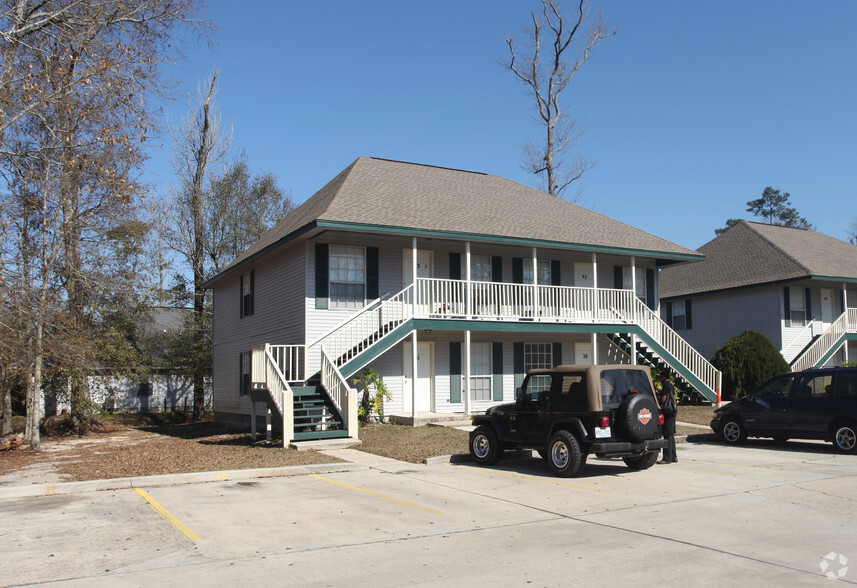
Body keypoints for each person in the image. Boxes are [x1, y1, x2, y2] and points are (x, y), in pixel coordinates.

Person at [657, 372, 677, 464]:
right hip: (673, 411)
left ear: (664, 377)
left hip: (667, 412)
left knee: (667, 435)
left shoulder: (666, 386)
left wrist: (658, 399)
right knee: (671, 434)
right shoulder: (672, 386)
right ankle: (673, 456)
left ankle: (666, 458)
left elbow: (663, 399)